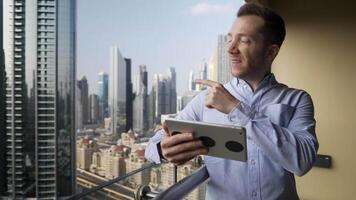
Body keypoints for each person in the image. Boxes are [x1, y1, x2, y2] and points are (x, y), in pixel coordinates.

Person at [145, 3, 318, 200]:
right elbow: (153, 145)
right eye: (229, 39)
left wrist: (236, 108)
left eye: (243, 41)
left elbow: (303, 161)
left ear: (270, 52)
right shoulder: (205, 100)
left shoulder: (297, 100)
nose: (231, 49)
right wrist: (164, 149)